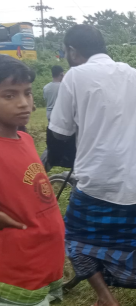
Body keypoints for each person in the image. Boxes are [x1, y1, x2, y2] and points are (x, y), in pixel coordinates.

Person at [49, 24, 136, 306]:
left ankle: (107, 299)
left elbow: (58, 132)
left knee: (75, 239)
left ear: (73, 51)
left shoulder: (75, 76)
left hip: (100, 185)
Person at [0, 55, 65, 306]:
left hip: (46, 263)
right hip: (16, 274)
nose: (23, 103)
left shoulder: (25, 140)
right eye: (9, 95)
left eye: (27, 93)